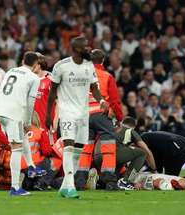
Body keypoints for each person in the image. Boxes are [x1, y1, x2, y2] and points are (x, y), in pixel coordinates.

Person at [45, 36, 108, 198]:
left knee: (78, 151)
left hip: (83, 113)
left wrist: (101, 100)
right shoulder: (61, 66)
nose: (89, 48)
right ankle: (71, 186)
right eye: (86, 46)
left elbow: (94, 87)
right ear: (76, 49)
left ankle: (65, 187)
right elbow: (52, 93)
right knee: (69, 147)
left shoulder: (89, 66)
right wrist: (48, 114)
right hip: (67, 112)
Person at [75, 49, 124, 191]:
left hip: (84, 115)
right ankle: (109, 181)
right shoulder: (106, 76)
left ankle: (79, 181)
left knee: (85, 149)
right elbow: (115, 101)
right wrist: (119, 118)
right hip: (101, 115)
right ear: (103, 60)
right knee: (108, 148)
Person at [0, 51, 41, 196]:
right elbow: (31, 101)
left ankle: (31, 166)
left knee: (22, 136)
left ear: (22, 61)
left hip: (0, 111)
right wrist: (28, 121)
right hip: (13, 113)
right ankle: (15, 188)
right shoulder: (34, 77)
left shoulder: (10, 71)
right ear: (35, 65)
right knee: (16, 149)